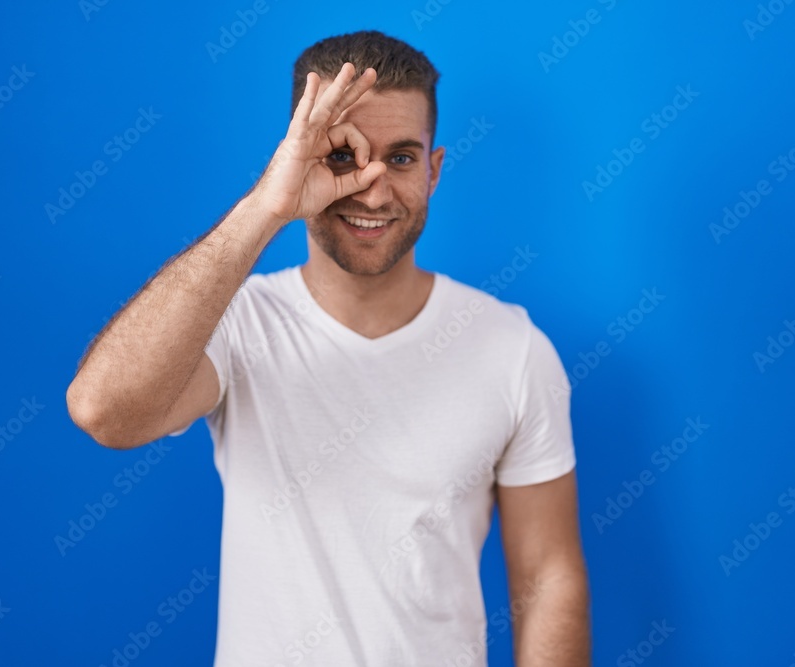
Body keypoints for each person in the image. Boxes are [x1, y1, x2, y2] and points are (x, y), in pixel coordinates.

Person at [66, 30, 590, 667]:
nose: (372, 192)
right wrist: (267, 205)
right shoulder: (236, 326)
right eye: (344, 157)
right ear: (298, 157)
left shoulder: (513, 349)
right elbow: (104, 411)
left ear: (435, 169)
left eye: (401, 159)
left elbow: (550, 577)